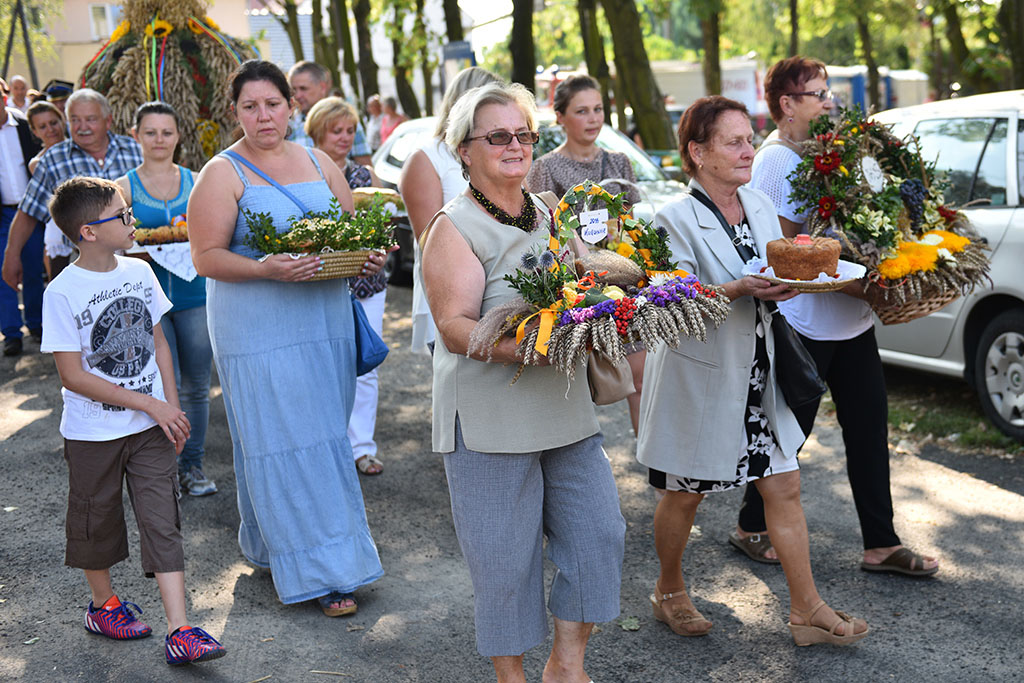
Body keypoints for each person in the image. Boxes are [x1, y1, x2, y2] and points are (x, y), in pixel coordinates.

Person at [637, 96, 869, 646]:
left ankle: (806, 609)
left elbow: (780, 267)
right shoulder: (671, 219)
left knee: (784, 487)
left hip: (761, 373)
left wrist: (790, 284)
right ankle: (668, 591)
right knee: (685, 494)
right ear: (697, 152)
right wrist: (737, 289)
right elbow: (672, 300)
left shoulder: (760, 205)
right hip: (700, 377)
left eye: (749, 138)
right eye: (734, 142)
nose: (749, 150)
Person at [422, 81, 626, 682]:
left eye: (523, 134)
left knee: (599, 537)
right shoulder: (453, 227)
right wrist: (531, 349)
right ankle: (510, 676)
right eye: (498, 136)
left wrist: (614, 300)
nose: (515, 146)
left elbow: (579, 289)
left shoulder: (546, 212)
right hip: (488, 417)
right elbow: (456, 328)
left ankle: (565, 667)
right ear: (464, 149)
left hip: (563, 406)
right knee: (504, 564)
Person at [188, 60, 385, 617]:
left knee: (318, 434)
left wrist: (366, 255)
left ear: (291, 106)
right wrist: (265, 269)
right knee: (285, 439)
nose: (263, 115)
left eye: (272, 104)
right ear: (236, 113)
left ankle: (272, 544)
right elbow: (206, 257)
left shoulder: (320, 161)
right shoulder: (221, 173)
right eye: (249, 106)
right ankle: (327, 573)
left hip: (322, 321)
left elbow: (352, 234)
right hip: (255, 326)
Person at [735, 56, 939, 577]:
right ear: (787, 104)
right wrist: (847, 259)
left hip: (851, 318)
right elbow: (782, 247)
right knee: (789, 432)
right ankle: (750, 526)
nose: (830, 102)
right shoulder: (777, 161)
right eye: (818, 94)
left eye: (828, 92)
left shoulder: (837, 154)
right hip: (806, 321)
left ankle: (882, 543)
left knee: (869, 428)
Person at [41, 176, 226, 666]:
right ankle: (104, 606)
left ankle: (180, 629)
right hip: (92, 433)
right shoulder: (62, 292)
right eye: (121, 215)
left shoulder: (140, 273)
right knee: (95, 522)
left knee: (162, 521)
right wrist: (151, 405)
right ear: (89, 232)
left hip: (148, 430)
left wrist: (168, 404)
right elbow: (72, 375)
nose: (132, 221)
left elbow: (159, 342)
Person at [524, 74, 644, 435]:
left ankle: (655, 469)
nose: (593, 119)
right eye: (581, 111)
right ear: (559, 117)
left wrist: (621, 242)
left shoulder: (619, 161)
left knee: (641, 375)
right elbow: (541, 232)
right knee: (576, 382)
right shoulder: (544, 167)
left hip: (621, 276)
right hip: (576, 286)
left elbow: (630, 223)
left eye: (598, 109)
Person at [115, 101, 217, 497]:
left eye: (167, 132)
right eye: (151, 132)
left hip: (194, 297)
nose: (159, 140)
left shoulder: (199, 181)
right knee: (159, 387)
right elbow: (114, 241)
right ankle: (166, 471)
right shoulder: (123, 188)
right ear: (136, 136)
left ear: (178, 136)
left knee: (195, 387)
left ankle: (193, 465)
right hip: (147, 307)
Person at [306, 96, 386, 476]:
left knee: (366, 365)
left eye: (350, 130)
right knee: (320, 367)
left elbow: (381, 230)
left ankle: (361, 447)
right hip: (317, 282)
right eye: (335, 130)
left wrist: (381, 249)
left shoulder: (364, 177)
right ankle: (329, 445)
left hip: (367, 283)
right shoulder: (302, 173)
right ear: (317, 132)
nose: (344, 137)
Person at [399, 66, 502, 355]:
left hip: (500, 293)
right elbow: (430, 241)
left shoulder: (501, 154)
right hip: (453, 298)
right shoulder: (427, 158)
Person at [2, 88, 143, 290]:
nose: (82, 127)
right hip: (83, 269)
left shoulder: (134, 151)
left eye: (91, 119)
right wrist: (11, 255)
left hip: (136, 261)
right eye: (75, 120)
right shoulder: (54, 159)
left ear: (108, 121)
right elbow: (28, 212)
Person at [0, 104, 42, 356]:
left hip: (31, 209)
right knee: (5, 273)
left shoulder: (24, 126)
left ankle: (36, 324)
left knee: (34, 269)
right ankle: (11, 333)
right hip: (2, 213)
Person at [286, 61, 372, 165]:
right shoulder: (287, 123)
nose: (298, 95)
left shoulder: (346, 120)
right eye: (294, 89)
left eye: (303, 89)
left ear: (322, 87)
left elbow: (365, 169)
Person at [25, 101, 69, 282]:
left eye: (53, 122)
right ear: (35, 132)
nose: (50, 129)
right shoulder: (37, 163)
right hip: (60, 229)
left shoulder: (83, 148)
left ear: (62, 120)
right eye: (42, 126)